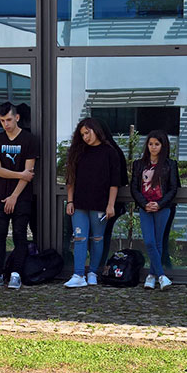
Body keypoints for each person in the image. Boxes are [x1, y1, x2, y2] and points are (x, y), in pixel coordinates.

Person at [62, 118, 124, 288]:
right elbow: (70, 179)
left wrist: (111, 205)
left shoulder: (110, 152)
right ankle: (78, 274)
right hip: (79, 203)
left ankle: (93, 273)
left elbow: (114, 182)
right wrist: (70, 200)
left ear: (96, 130)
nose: (85, 137)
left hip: (100, 204)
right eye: (82, 134)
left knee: (97, 239)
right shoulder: (78, 151)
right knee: (80, 237)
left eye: (87, 132)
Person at [0, 102, 38, 289]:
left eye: (8, 119)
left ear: (16, 118)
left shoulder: (29, 140)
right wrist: (19, 174)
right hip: (0, 194)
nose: (5, 124)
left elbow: (29, 173)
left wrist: (15, 196)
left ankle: (16, 274)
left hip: (21, 196)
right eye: (2, 121)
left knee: (19, 234)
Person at [130, 130, 180, 290]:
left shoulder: (170, 165)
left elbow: (173, 189)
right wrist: (145, 204)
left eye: (157, 144)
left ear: (163, 146)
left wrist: (159, 204)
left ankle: (151, 276)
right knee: (149, 241)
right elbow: (134, 188)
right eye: (150, 144)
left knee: (158, 243)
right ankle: (162, 276)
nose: (153, 147)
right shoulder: (138, 164)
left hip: (162, 207)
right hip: (145, 208)